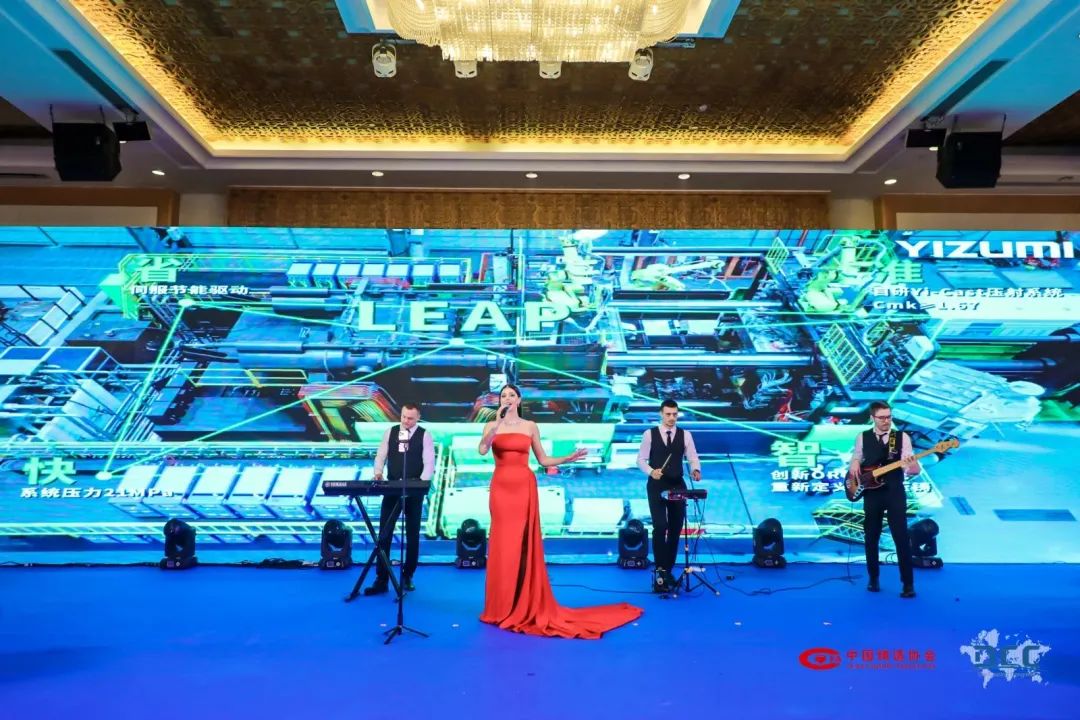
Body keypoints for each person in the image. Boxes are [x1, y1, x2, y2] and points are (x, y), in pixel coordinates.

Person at [478, 384, 643, 638]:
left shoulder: (530, 426)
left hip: (523, 487)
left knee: (521, 543)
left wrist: (568, 458)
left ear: (519, 400)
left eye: (511, 395)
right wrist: (497, 424)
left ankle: (522, 602)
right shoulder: (492, 425)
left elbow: (543, 460)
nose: (507, 398)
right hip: (501, 488)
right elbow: (482, 450)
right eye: (503, 396)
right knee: (502, 544)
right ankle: (499, 606)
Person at [848, 400, 921, 598]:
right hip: (872, 493)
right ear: (872, 418)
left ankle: (908, 584)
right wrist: (854, 462)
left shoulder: (901, 437)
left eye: (889, 417)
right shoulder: (862, 437)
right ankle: (873, 578)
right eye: (881, 418)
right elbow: (857, 456)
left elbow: (912, 469)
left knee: (901, 537)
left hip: (895, 492)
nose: (886, 421)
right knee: (871, 536)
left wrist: (912, 466)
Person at [364, 403, 434, 596]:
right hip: (392, 488)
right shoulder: (391, 432)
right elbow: (381, 456)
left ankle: (407, 575)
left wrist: (421, 484)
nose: (406, 421)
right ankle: (381, 579)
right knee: (384, 534)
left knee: (412, 535)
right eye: (403, 417)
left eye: (410, 418)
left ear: (418, 417)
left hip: (414, 490)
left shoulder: (425, 435)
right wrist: (378, 472)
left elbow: (429, 462)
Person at [636, 399, 702, 592]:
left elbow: (692, 456)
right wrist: (651, 471)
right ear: (661, 414)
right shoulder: (649, 434)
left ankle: (668, 571)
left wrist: (696, 469)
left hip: (677, 485)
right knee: (660, 526)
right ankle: (660, 570)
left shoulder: (685, 435)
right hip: (656, 485)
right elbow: (640, 460)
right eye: (668, 414)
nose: (672, 418)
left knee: (675, 529)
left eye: (675, 414)